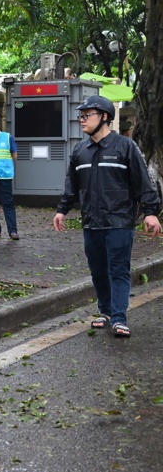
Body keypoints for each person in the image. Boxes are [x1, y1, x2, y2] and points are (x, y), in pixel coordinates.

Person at [54, 95, 161, 339]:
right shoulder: (80, 151)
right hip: (91, 222)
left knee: (118, 270)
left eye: (87, 115)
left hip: (120, 222)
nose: (81, 120)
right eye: (80, 116)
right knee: (98, 271)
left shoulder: (125, 147)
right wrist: (62, 209)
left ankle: (119, 318)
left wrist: (151, 212)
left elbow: (143, 183)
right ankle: (105, 312)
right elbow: (72, 184)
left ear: (104, 117)